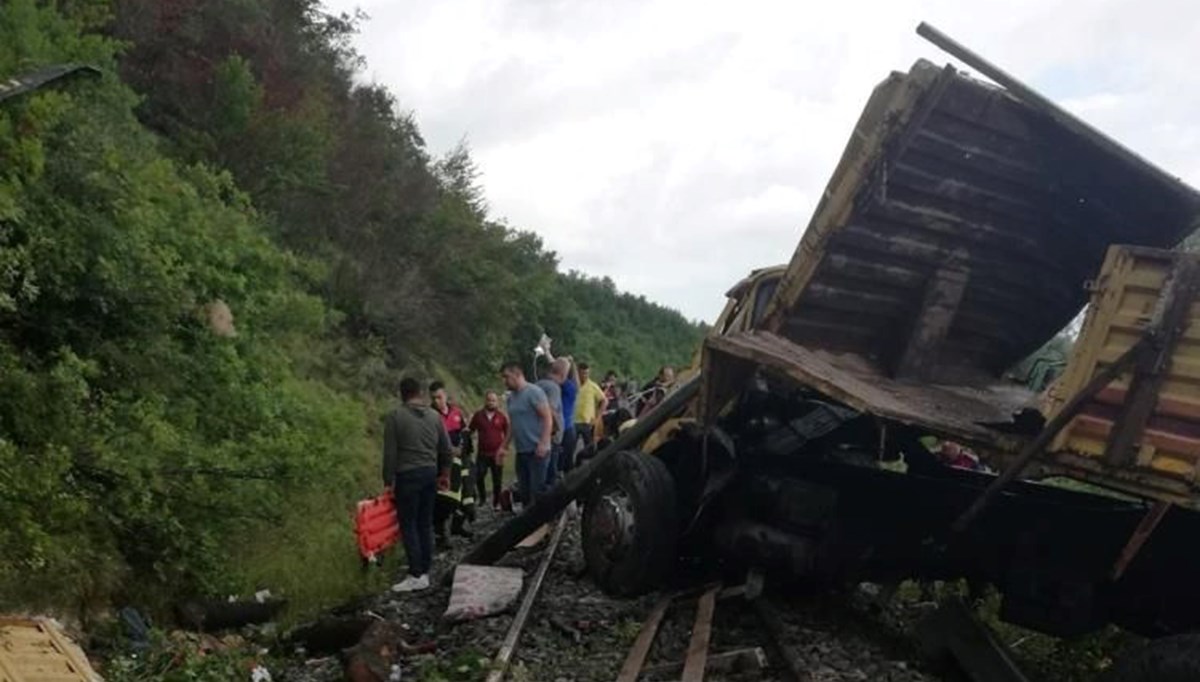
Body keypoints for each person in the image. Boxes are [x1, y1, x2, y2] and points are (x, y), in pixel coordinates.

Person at [381, 377, 451, 593]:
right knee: (425, 523)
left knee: (408, 524)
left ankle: (415, 573)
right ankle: (425, 571)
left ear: (402, 394)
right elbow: (446, 449)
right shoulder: (434, 416)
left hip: (407, 476)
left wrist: (388, 481)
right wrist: (444, 474)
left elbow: (390, 453)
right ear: (420, 393)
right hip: (430, 473)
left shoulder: (395, 417)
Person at [430, 382, 475, 547]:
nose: (437, 401)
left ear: (446, 396)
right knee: (444, 498)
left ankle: (457, 525)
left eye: (439, 397)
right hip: (441, 463)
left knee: (467, 495)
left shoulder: (456, 412)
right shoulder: (430, 416)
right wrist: (449, 450)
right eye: (433, 398)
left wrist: (465, 450)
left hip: (460, 460)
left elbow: (465, 434)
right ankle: (441, 535)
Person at [501, 361, 553, 506]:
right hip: (521, 450)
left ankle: (540, 517)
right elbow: (513, 424)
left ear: (517, 374)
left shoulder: (534, 392)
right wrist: (504, 446)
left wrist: (544, 442)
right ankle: (527, 516)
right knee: (524, 490)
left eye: (506, 377)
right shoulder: (511, 398)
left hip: (537, 450)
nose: (505, 381)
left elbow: (547, 418)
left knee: (536, 490)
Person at [470, 390, 510, 510]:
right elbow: (470, 430)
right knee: (479, 476)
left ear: (497, 402)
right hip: (482, 453)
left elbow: (508, 433)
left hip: (497, 454)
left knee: (497, 480)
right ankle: (482, 499)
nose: (491, 402)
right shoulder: (478, 415)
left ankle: (496, 502)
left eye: (493, 400)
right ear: (485, 401)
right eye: (489, 400)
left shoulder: (501, 416)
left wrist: (505, 448)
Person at [537, 360, 565, 489]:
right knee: (550, 472)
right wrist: (557, 428)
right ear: (562, 374)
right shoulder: (554, 388)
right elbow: (550, 409)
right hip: (551, 437)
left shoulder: (538, 384)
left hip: (538, 434)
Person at [573, 362, 608, 460]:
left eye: (587, 373)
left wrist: (598, 417)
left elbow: (604, 401)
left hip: (588, 422)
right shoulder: (573, 384)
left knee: (590, 448)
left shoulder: (593, 386)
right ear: (578, 373)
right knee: (570, 447)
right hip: (573, 421)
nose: (585, 376)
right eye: (583, 373)